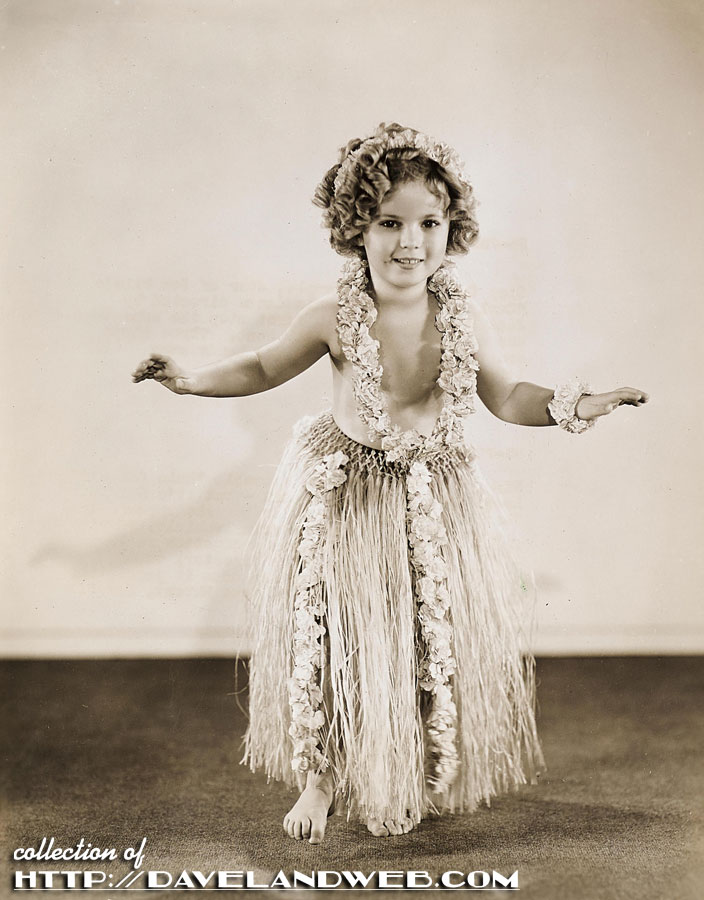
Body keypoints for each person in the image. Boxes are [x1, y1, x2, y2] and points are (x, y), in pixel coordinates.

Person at [132, 123, 648, 845]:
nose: (412, 241)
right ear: (355, 230)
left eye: (430, 223)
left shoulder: (462, 316)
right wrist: (190, 381)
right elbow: (260, 367)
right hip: (350, 494)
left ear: (452, 229)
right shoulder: (334, 318)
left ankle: (406, 767)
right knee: (340, 638)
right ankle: (322, 776)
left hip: (435, 496)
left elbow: (505, 396)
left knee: (419, 638)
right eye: (389, 222)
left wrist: (575, 404)